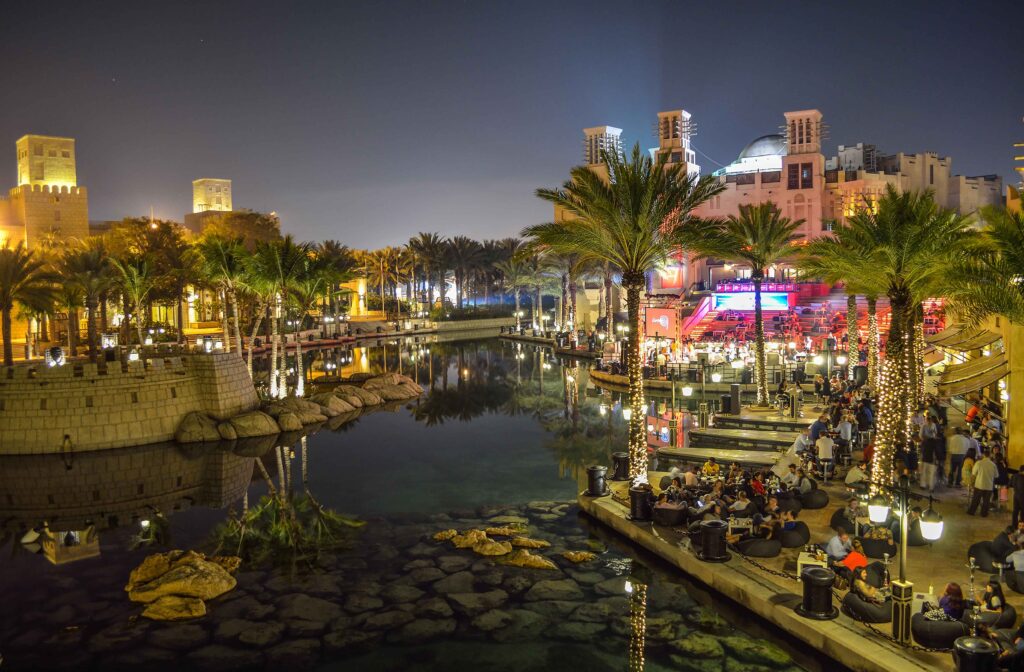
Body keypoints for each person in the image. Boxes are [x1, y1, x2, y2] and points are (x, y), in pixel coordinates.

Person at [968, 450, 999, 517]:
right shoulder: (993, 465)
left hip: (979, 484)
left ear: (983, 455)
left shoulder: (979, 463)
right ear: (990, 456)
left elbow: (973, 474)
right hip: (989, 486)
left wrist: (971, 483)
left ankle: (971, 512)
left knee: (976, 499)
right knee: (986, 501)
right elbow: (996, 475)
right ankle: (984, 514)